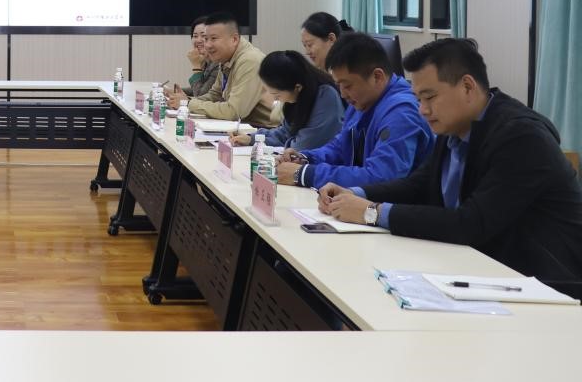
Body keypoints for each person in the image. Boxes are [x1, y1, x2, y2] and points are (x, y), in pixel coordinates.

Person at [319, 39, 582, 282]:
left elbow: (471, 223)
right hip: (478, 271)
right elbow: (417, 186)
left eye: (430, 97)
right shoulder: (454, 128)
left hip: (546, 286)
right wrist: (355, 193)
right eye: (419, 99)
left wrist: (371, 212)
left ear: (467, 86)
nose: (423, 110)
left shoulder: (521, 138)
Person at [277, 32, 433, 189]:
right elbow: (341, 147)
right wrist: (306, 158)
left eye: (348, 85)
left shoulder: (401, 112)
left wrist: (305, 174)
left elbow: (381, 177)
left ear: (377, 77)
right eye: (339, 85)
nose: (343, 94)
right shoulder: (362, 101)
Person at [168, 12, 273, 127]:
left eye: (213, 38)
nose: (208, 45)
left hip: (264, 131)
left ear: (234, 39)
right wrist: (184, 101)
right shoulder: (225, 58)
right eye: (206, 39)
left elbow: (234, 112)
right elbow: (214, 96)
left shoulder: (250, 61)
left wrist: (188, 103)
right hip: (240, 127)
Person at [231, 50, 343, 151]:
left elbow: (304, 145)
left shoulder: (326, 97)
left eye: (277, 95)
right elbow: (285, 133)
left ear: (297, 87)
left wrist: (287, 142)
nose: (275, 99)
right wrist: (252, 138)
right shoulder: (298, 97)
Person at [178, 16, 219, 99]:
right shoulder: (206, 61)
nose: (198, 40)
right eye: (195, 36)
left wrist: (196, 66)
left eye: (203, 36)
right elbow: (199, 88)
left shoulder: (218, 63)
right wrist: (175, 91)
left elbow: (201, 95)